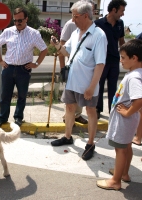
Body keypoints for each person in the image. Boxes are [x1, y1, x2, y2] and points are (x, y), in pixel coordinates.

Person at [50, 1, 107, 161]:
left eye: (75, 16)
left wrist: (92, 87)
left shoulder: (99, 35)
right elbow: (66, 51)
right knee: (69, 108)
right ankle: (67, 136)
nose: (73, 20)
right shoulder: (75, 33)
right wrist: (57, 46)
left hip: (88, 84)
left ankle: (90, 143)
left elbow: (100, 63)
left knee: (90, 111)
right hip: (72, 82)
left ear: (86, 15)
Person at [97, 39, 142, 190]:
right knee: (126, 147)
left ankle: (115, 181)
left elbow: (139, 99)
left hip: (124, 120)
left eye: (123, 57)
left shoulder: (134, 77)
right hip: (128, 120)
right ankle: (123, 173)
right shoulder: (136, 73)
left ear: (134, 58)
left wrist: (128, 112)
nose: (120, 61)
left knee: (120, 149)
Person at [0, 7, 48, 127]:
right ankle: (2, 118)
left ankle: (18, 117)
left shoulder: (34, 33)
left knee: (22, 96)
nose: (17, 23)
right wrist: (0, 60)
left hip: (24, 69)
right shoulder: (8, 31)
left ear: (26, 19)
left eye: (20, 20)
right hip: (8, 68)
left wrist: (36, 63)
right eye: (15, 20)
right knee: (5, 96)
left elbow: (44, 49)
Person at [59, 0, 95, 125]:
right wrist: (63, 67)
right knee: (70, 102)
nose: (92, 13)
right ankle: (68, 119)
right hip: (72, 70)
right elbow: (63, 45)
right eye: (91, 9)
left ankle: (76, 116)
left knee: (82, 101)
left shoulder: (95, 30)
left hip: (85, 73)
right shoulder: (70, 25)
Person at [95, 0, 127, 119]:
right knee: (99, 86)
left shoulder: (120, 23)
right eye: (122, 11)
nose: (123, 14)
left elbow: (122, 42)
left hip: (114, 61)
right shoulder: (98, 23)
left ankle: (112, 111)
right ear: (114, 10)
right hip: (101, 61)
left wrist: (125, 57)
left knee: (113, 88)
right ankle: (97, 110)